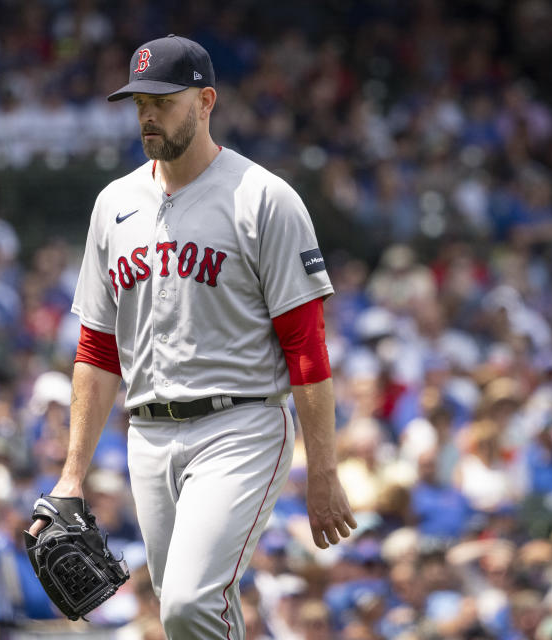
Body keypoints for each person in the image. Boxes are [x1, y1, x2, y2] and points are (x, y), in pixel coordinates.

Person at [29, 34, 356, 639]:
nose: (148, 115)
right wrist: (72, 474)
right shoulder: (114, 204)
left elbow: (306, 347)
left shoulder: (263, 198)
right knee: (184, 620)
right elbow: (97, 350)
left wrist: (323, 469)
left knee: (188, 603)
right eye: (138, 103)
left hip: (242, 424)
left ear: (206, 101)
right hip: (148, 435)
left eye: (164, 100)